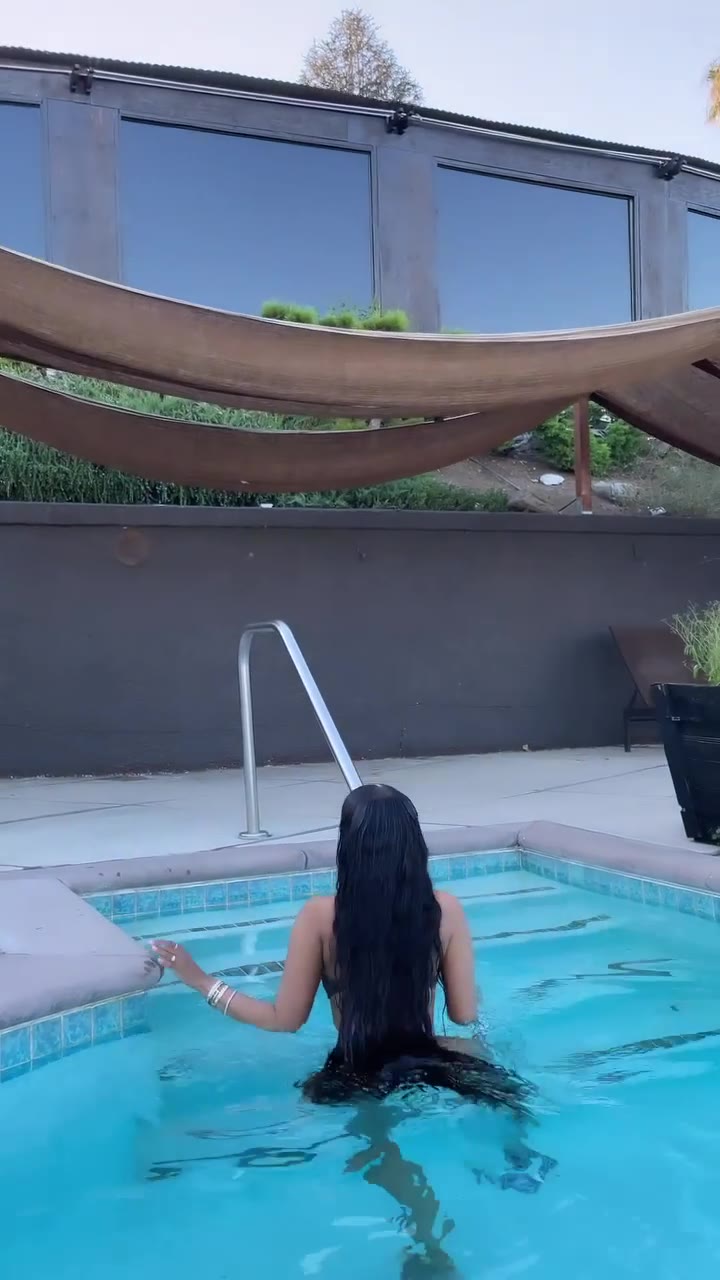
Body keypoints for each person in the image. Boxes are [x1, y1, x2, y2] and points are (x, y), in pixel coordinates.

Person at [153, 784, 544, 1275]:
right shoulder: (444, 910)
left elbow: (283, 1019)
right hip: (425, 1057)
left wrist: (200, 981)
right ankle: (515, 1158)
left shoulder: (319, 918)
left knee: (379, 1144)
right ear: (414, 844)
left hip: (354, 1068)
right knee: (496, 1078)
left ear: (348, 847)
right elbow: (465, 1014)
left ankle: (426, 1235)